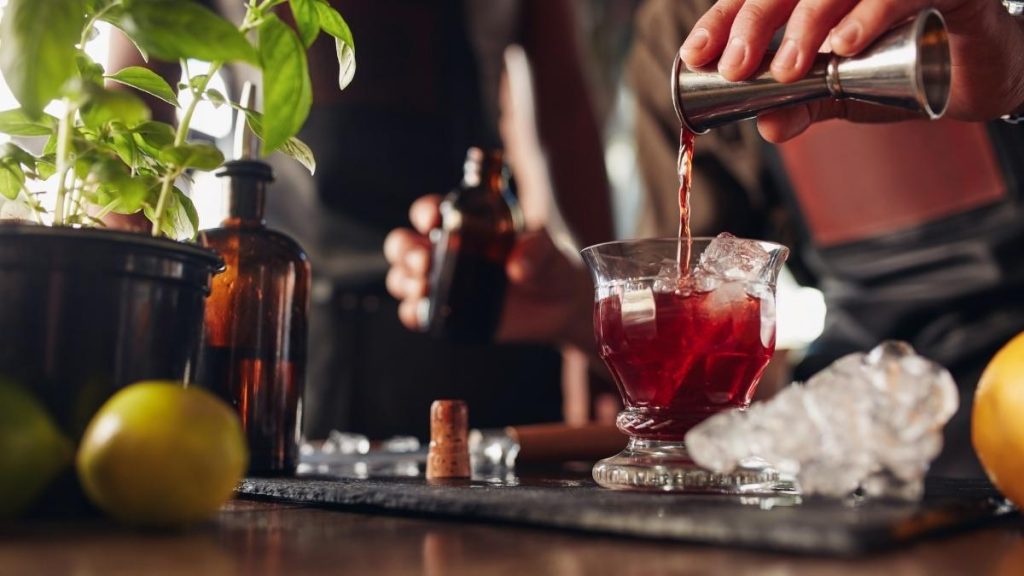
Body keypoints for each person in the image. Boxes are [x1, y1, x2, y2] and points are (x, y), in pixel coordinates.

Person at [387, 0, 1024, 477]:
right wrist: (574, 309)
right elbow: (698, 335)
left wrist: (1018, 69)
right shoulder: (689, 32)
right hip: (861, 445)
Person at [111, 0, 614, 440]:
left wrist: (595, 329)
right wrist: (129, 337)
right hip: (275, 322)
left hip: (481, 314)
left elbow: (562, 108)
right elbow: (127, 106)